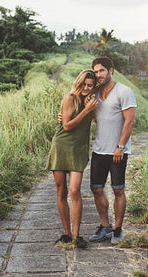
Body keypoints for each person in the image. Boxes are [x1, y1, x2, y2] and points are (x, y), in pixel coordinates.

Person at [47, 69, 98, 248]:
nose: (86, 87)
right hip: (61, 145)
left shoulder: (93, 101)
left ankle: (77, 236)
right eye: (84, 84)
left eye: (90, 85)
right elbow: (67, 126)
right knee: (61, 191)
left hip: (78, 149)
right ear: (79, 82)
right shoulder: (70, 98)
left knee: (75, 190)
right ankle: (67, 234)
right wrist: (86, 111)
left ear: (94, 87)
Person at [88, 56, 137, 245]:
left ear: (111, 70)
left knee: (118, 190)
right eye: (96, 71)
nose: (98, 74)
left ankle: (117, 229)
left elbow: (130, 121)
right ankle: (105, 226)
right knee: (96, 188)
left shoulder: (124, 91)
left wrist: (121, 146)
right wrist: (63, 116)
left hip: (118, 151)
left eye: (101, 70)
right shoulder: (95, 93)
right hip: (99, 150)